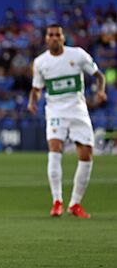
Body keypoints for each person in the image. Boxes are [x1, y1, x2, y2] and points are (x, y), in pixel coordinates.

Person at [27, 24, 107, 218]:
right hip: (55, 110)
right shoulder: (40, 62)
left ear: (63, 38)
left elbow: (99, 76)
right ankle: (57, 201)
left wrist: (101, 91)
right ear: (46, 39)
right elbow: (37, 88)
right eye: (51, 35)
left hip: (78, 109)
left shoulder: (78, 55)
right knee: (55, 149)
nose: (54, 38)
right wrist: (32, 102)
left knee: (86, 154)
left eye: (58, 35)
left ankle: (75, 204)